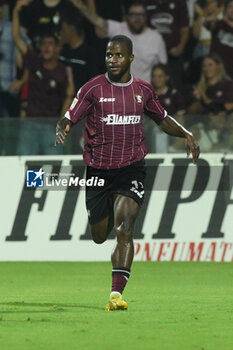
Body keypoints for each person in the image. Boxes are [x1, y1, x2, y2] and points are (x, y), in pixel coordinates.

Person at [55, 35, 200, 311]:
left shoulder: (143, 90)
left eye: (119, 55)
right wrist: (63, 125)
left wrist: (186, 134)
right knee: (99, 235)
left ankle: (115, 294)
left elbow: (162, 117)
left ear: (131, 58)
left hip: (131, 168)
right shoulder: (92, 88)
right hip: (98, 171)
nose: (112, 60)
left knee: (125, 228)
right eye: (109, 55)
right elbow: (70, 114)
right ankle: (108, 210)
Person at [13, 0, 74, 154]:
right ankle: (34, 180)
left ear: (57, 48)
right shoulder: (34, 62)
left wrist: (60, 125)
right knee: (27, 166)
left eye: (50, 44)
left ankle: (47, 180)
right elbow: (16, 38)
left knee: (51, 167)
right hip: (30, 124)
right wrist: (15, 12)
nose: (46, 47)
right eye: (44, 44)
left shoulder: (63, 71)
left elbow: (68, 97)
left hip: (50, 125)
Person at [69, 0, 167, 83]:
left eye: (141, 15)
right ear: (127, 16)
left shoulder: (156, 38)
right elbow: (96, 20)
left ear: (146, 17)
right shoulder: (120, 28)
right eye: (133, 15)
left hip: (144, 94)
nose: (137, 18)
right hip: (120, 93)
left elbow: (163, 69)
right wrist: (80, 5)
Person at [210, 0, 233, 79]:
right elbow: (209, 24)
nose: (232, 10)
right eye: (231, 7)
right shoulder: (219, 24)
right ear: (226, 9)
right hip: (215, 73)